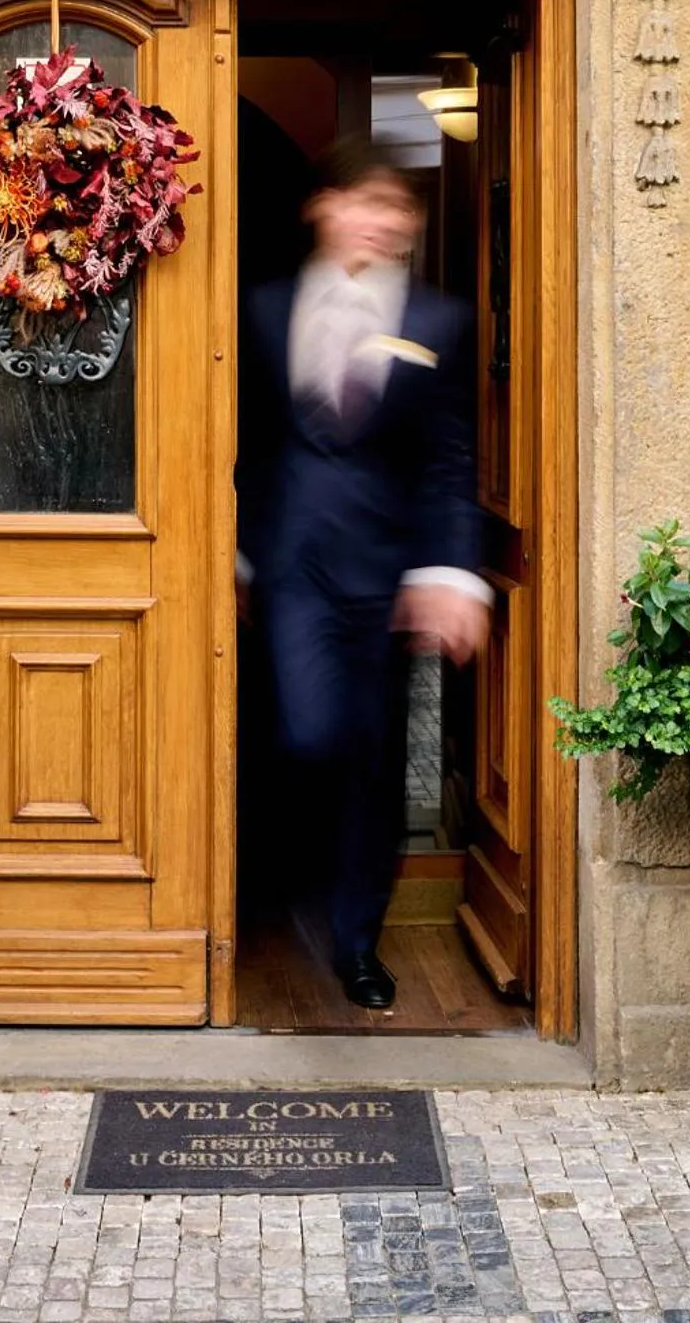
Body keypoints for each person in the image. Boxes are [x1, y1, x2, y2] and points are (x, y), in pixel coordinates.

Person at [235, 139, 490, 1009]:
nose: (387, 223)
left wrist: (451, 573)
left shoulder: (439, 323)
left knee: (374, 763)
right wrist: (228, 551)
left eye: (401, 210)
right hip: (288, 564)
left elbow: (449, 462)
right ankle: (282, 883)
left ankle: (356, 944)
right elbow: (236, 440)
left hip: (388, 577)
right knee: (307, 735)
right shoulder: (261, 308)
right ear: (325, 205)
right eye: (370, 203)